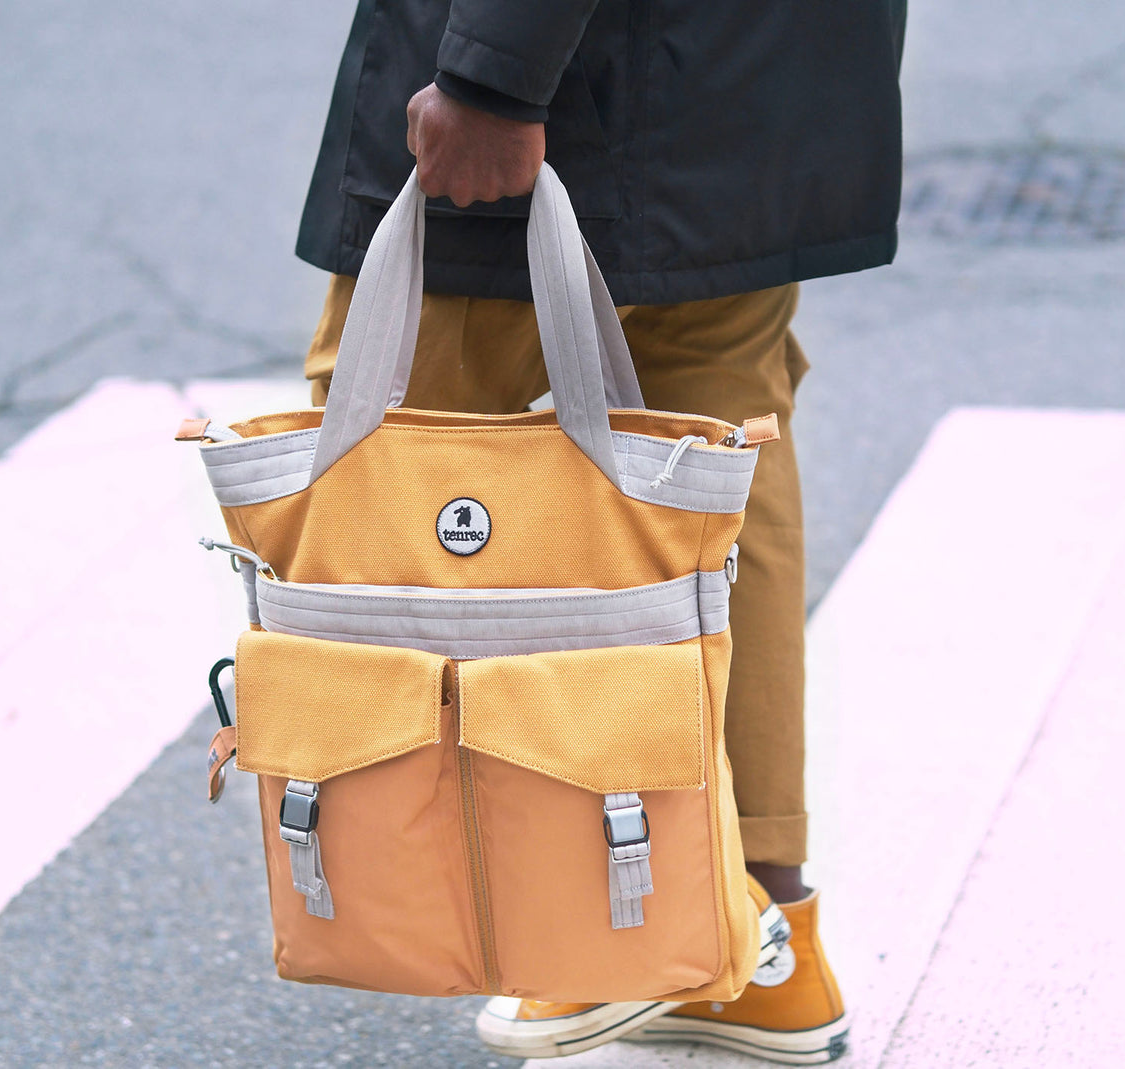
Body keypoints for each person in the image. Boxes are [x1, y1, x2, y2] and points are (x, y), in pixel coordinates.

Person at [294, 0, 904, 1061]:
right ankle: (750, 932)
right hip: (763, 68)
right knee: (707, 474)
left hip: (578, 78)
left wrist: (492, 75)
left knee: (391, 457)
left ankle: (606, 926)